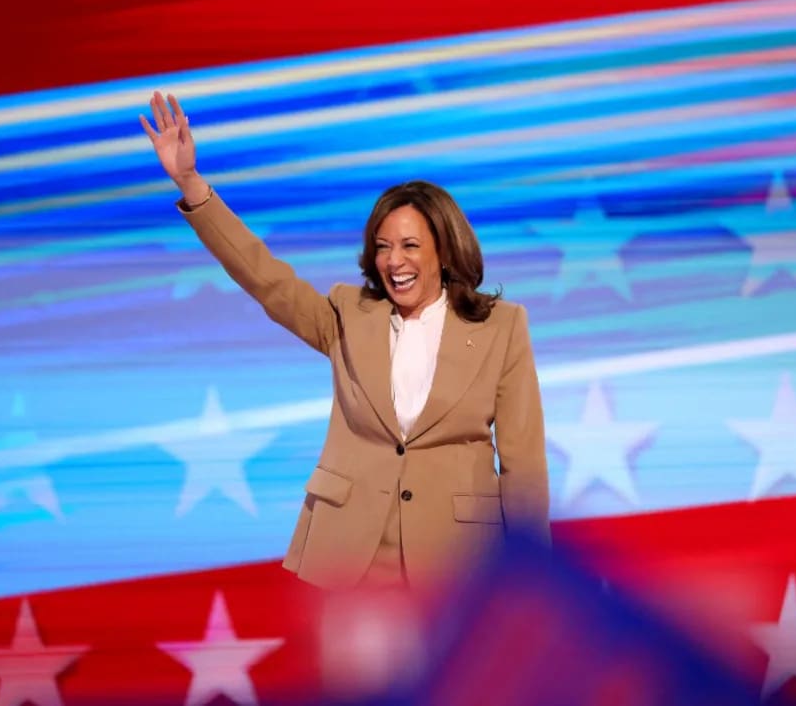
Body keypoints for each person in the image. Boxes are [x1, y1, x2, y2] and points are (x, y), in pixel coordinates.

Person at [141, 91, 550, 591]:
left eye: (410, 246)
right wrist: (191, 184)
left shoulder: (501, 326)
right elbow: (265, 279)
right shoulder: (347, 314)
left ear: (444, 252)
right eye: (383, 247)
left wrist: (536, 580)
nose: (394, 261)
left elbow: (524, 467)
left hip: (457, 567)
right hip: (349, 558)